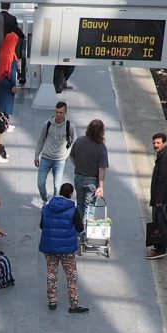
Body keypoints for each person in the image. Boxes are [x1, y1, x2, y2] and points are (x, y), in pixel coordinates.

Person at [39, 183, 89, 313]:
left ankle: (52, 301)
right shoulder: (73, 210)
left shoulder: (46, 207)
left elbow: (41, 225)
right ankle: (73, 304)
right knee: (71, 276)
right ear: (71, 194)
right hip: (67, 250)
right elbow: (80, 228)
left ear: (60, 192)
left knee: (51, 273)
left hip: (49, 247)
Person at [69, 119, 108, 233]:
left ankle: (77, 231)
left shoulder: (79, 141)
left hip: (79, 178)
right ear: (101, 132)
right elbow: (101, 169)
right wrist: (101, 186)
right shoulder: (101, 147)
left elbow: (72, 157)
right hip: (92, 181)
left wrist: (78, 165)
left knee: (80, 205)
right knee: (90, 208)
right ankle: (87, 233)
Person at [34, 101, 75, 202]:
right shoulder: (47, 124)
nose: (58, 114)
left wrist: (66, 155)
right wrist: (36, 156)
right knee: (40, 183)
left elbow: (74, 141)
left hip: (59, 160)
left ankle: (54, 204)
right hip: (45, 158)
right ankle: (45, 200)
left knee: (57, 187)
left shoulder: (69, 126)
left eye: (60, 112)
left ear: (65, 112)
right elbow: (41, 141)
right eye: (56, 112)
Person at [147, 132, 167, 259]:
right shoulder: (164, 155)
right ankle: (159, 246)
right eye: (154, 143)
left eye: (158, 143)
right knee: (162, 222)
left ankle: (161, 248)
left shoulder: (165, 158)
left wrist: (158, 199)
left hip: (162, 199)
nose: (155, 145)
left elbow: (163, 180)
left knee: (160, 222)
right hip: (163, 197)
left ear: (164, 143)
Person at [0, 3, 25, 88]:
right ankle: (0, 82)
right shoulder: (12, 18)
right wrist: (23, 36)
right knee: (3, 64)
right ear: (9, 7)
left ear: (1, 6)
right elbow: (16, 29)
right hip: (5, 47)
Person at [0, 32, 20, 121]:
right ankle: (4, 124)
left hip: (1, 81)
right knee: (6, 105)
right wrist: (13, 84)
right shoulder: (11, 54)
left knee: (1, 104)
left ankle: (1, 122)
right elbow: (11, 72)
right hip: (8, 84)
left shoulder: (3, 51)